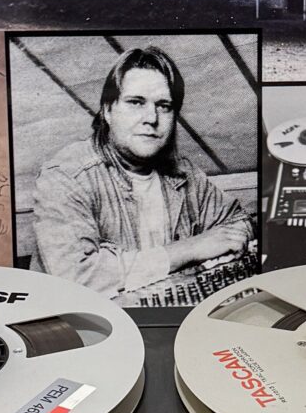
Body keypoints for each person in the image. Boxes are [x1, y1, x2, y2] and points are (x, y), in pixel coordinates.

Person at [31, 46, 253, 297]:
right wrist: (190, 249)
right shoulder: (65, 177)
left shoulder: (185, 174)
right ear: (107, 110)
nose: (151, 118)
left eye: (164, 106)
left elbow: (238, 221)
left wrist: (230, 242)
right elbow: (77, 278)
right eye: (136, 102)